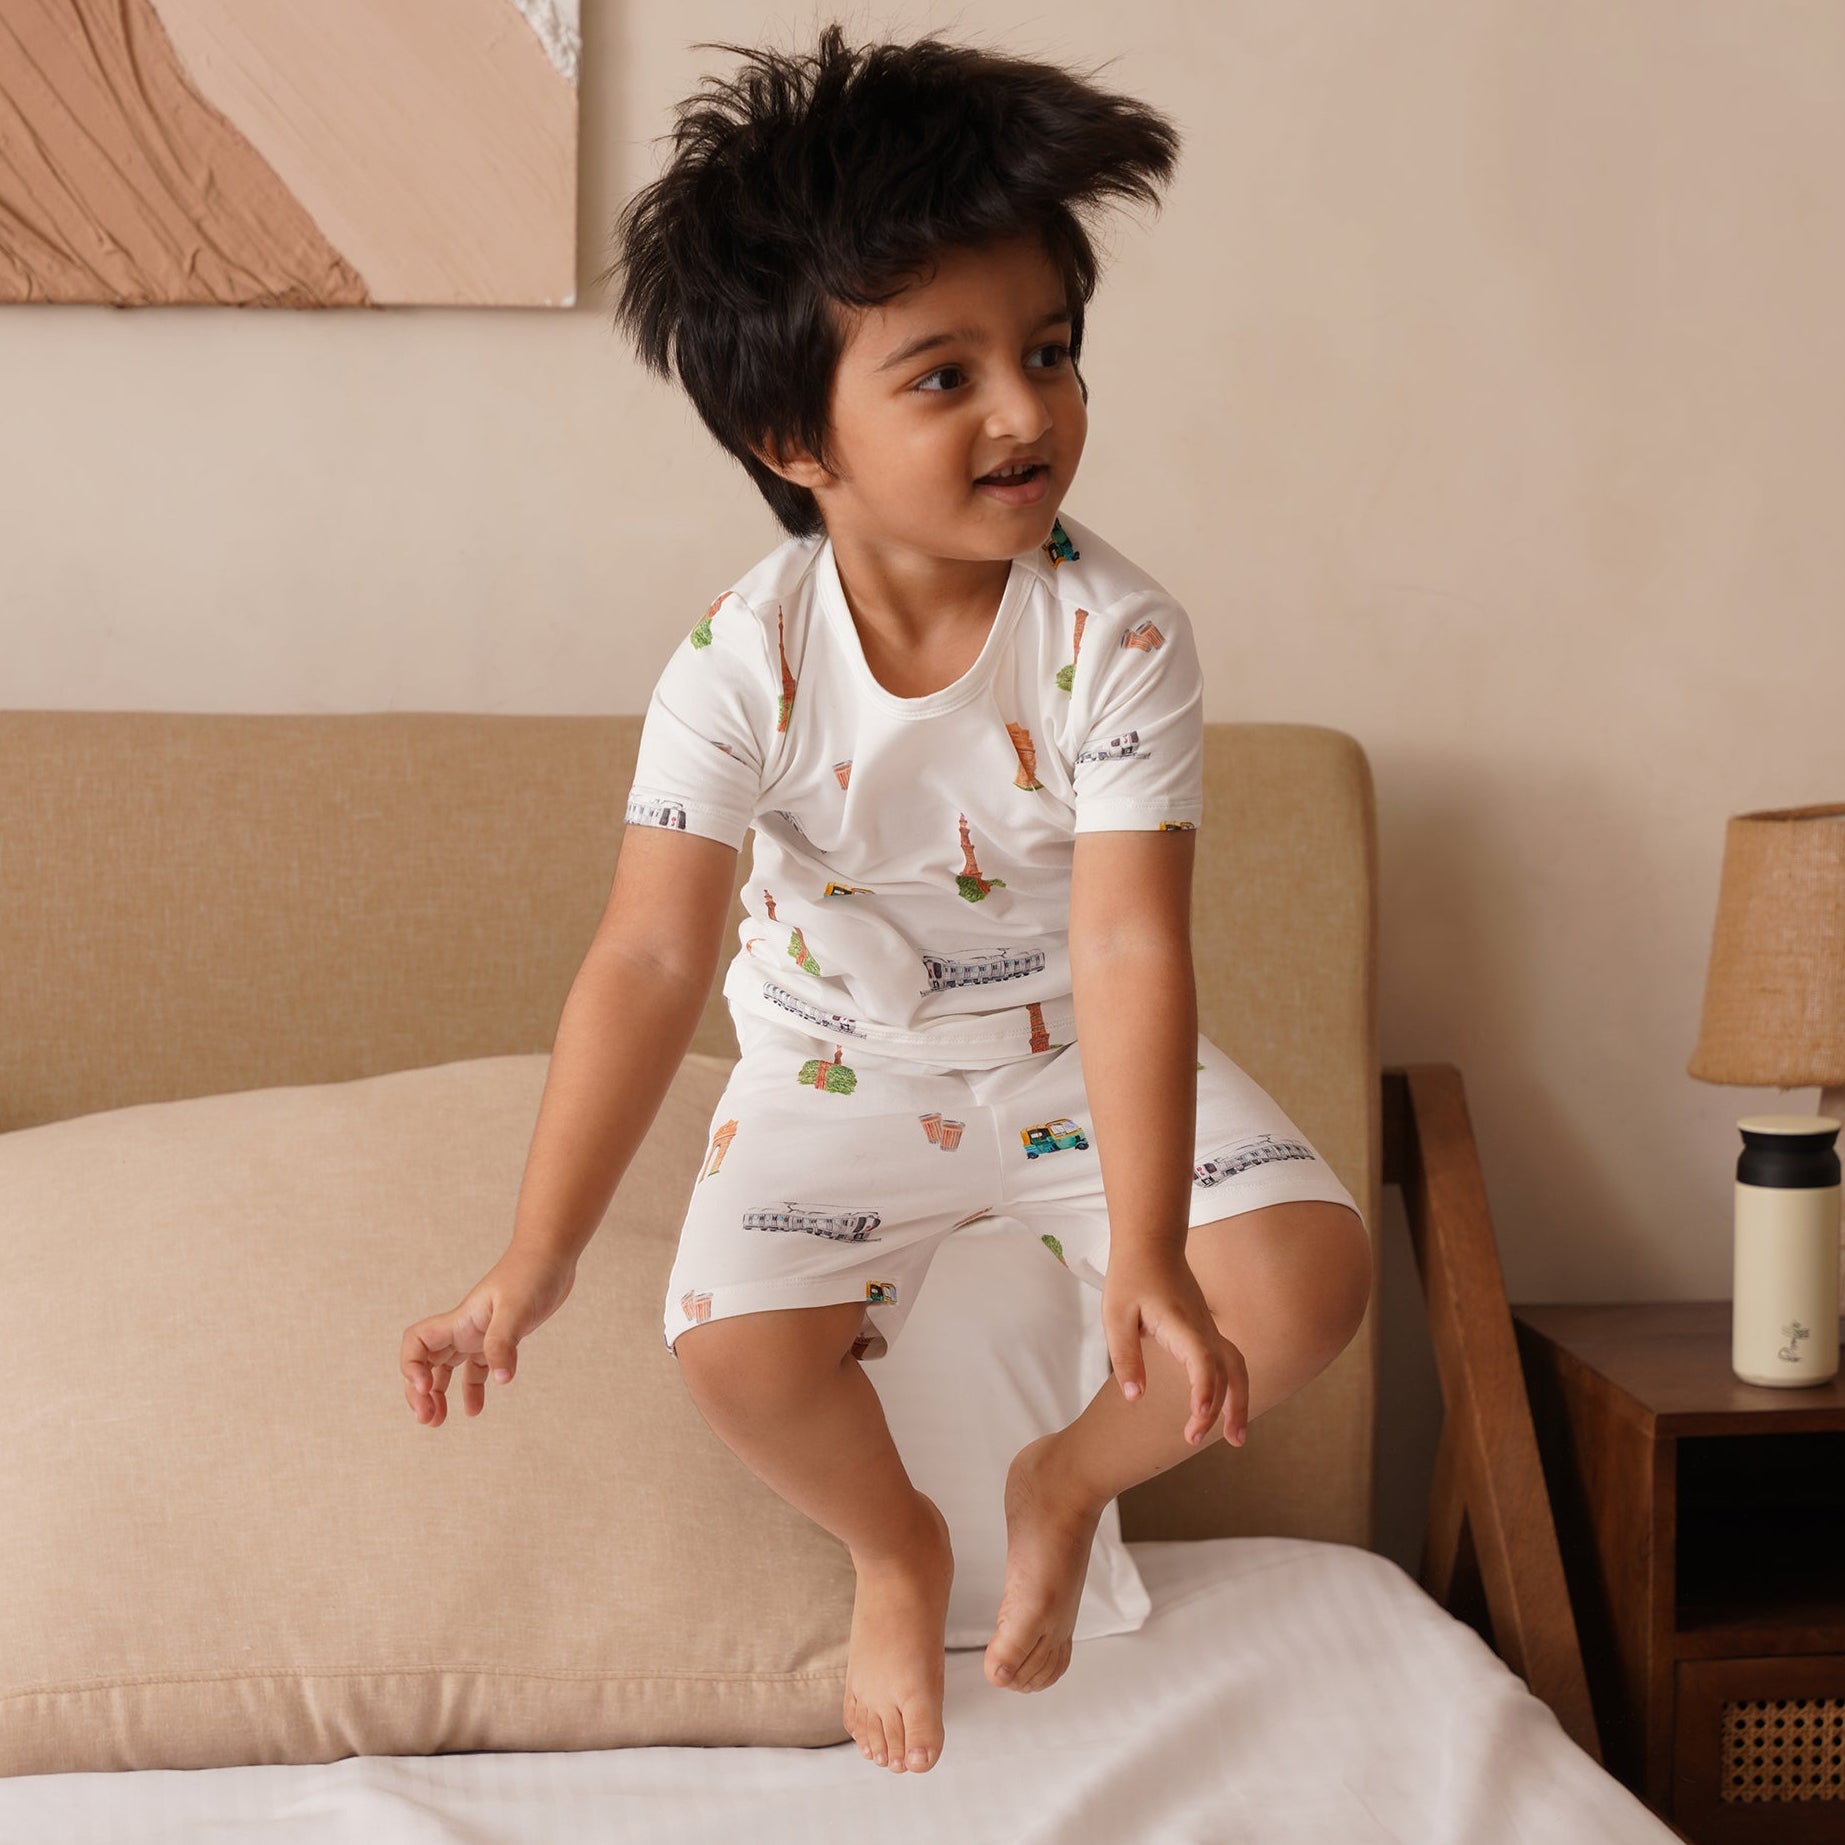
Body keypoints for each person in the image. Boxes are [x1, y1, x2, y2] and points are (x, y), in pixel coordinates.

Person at [400, 23, 1371, 1780]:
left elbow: (1133, 938)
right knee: (732, 1355)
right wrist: (530, 1260)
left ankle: (1056, 1480)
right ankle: (899, 1546)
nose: (1028, 409)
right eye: (945, 375)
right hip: (844, 1061)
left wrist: (1143, 1251)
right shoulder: (735, 664)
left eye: (1052, 352)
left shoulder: (1118, 636)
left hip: (1076, 1051)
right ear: (797, 435)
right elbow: (645, 952)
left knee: (1301, 1288)